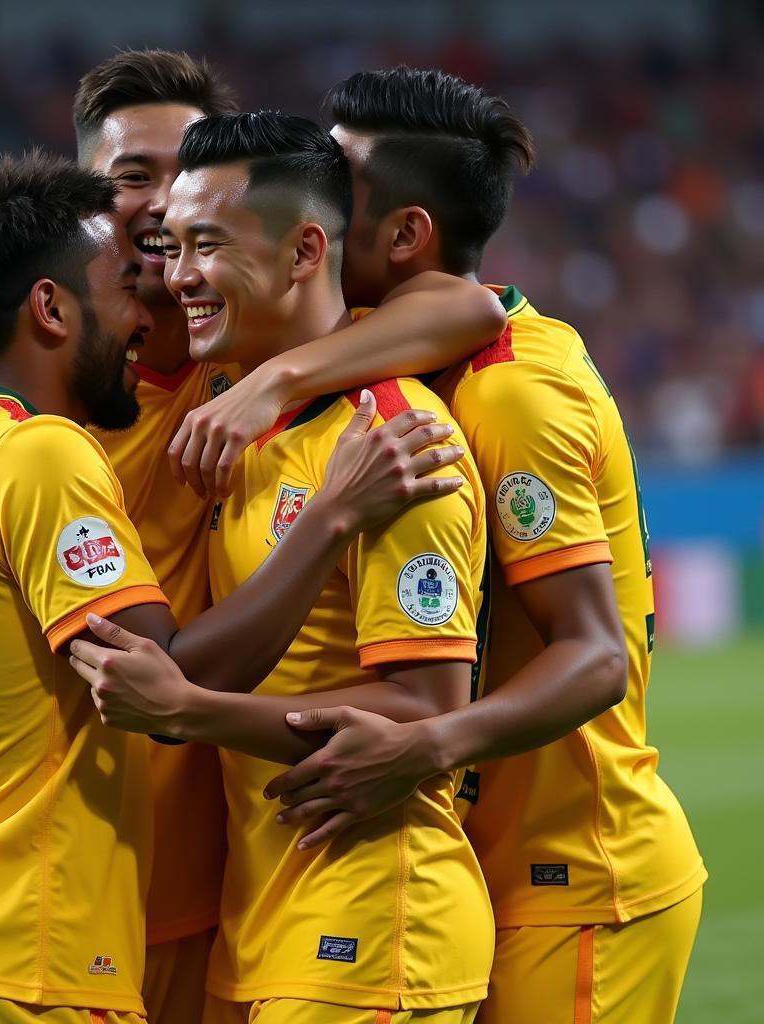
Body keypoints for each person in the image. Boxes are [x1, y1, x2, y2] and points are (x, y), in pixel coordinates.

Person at [0, 49, 505, 1024]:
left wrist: (280, 380)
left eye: (181, 179)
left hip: (208, 890)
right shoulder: (36, 399)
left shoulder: (246, 372)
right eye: (133, 175)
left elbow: (468, 303)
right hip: (60, 908)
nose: (158, 205)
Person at [251, 68, 706, 1024]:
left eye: (339, 191)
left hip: (575, 873)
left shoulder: (512, 392)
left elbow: (594, 656)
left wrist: (426, 743)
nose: (312, 210)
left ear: (407, 235)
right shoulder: (407, 353)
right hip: (484, 863)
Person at [67, 111, 494, 1024]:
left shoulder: (393, 443)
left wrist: (193, 713)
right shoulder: (234, 407)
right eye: (172, 247)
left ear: (306, 251)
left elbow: (424, 710)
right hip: (260, 920)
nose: (178, 276)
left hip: (371, 920)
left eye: (206, 246)